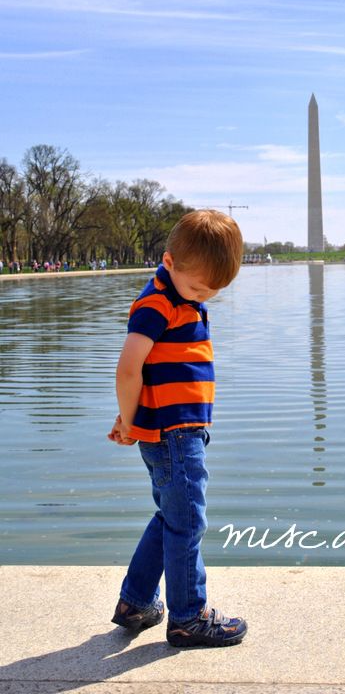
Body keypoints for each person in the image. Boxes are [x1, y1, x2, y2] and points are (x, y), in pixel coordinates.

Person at [107, 210, 247, 648]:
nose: (206, 296)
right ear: (168, 263)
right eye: (199, 288)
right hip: (175, 435)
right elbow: (128, 369)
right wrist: (129, 422)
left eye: (215, 290)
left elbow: (150, 371)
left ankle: (136, 602)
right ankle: (188, 616)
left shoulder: (181, 296)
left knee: (172, 516)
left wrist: (134, 417)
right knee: (188, 524)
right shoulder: (158, 303)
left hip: (175, 429)